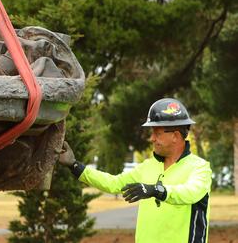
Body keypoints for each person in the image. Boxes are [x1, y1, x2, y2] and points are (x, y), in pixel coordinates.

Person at [60, 98, 212, 243]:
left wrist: (157, 190)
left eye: (157, 133)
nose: (152, 138)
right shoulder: (147, 166)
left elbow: (190, 193)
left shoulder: (200, 168)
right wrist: (74, 165)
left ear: (175, 135)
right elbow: (113, 183)